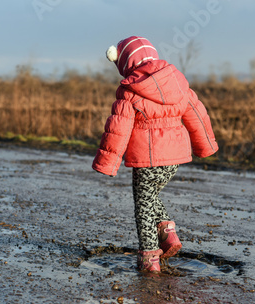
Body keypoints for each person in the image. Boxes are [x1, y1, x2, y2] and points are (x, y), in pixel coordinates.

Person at [92, 36, 218, 273]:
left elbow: (118, 128)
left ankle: (150, 257)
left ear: (126, 63)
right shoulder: (178, 82)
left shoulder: (129, 90)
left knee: (142, 204)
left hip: (147, 158)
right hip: (174, 159)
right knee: (149, 197)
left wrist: (107, 162)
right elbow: (197, 115)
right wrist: (205, 146)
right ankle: (167, 232)